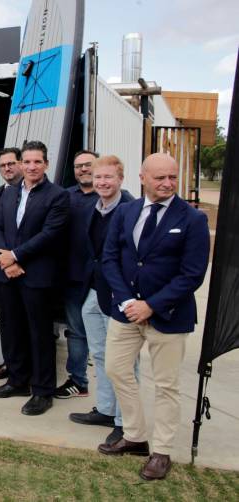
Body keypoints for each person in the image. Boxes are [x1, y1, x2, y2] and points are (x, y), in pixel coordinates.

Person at [98, 153, 209, 481]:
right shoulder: (126, 212)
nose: (167, 183)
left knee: (166, 385)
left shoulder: (193, 219)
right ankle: (134, 436)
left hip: (170, 316)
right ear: (142, 177)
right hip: (127, 311)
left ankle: (161, 451)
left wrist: (152, 305)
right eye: (159, 177)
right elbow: (110, 258)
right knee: (115, 368)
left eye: (172, 177)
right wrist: (128, 300)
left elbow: (192, 275)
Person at [0, 141, 70, 416]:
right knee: (12, 330)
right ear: (21, 164)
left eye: (38, 161)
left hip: (36, 275)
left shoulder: (57, 196)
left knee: (40, 335)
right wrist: (5, 259)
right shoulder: (9, 194)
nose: (32, 166)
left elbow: (50, 235)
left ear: (46, 164)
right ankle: (17, 380)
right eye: (27, 161)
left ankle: (43, 391)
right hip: (7, 273)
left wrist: (16, 257)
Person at [67, 155, 135, 446]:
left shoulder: (131, 209)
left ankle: (125, 422)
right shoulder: (94, 208)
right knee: (100, 354)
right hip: (93, 292)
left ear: (121, 179)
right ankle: (107, 410)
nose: (102, 182)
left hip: (119, 296)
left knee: (124, 363)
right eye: (98, 178)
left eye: (108, 177)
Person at [57, 149, 101, 399]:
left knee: (104, 337)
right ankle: (78, 380)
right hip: (72, 277)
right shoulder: (65, 196)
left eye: (88, 165)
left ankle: (113, 389)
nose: (83, 169)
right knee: (76, 331)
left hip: (102, 282)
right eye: (78, 166)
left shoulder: (117, 197)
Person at [0, 147, 24, 381]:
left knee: (23, 322)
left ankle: (22, 371)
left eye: (11, 163)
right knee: (6, 321)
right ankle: (10, 364)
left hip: (22, 269)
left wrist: (14, 258)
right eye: (3, 165)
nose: (7, 168)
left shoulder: (32, 194)